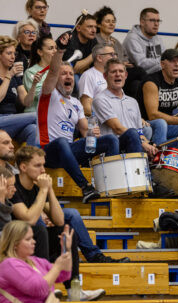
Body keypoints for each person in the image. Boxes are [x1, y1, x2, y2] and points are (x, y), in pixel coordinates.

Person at [10, 146, 107, 300]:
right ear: (23, 167)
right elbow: (28, 219)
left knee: (66, 233)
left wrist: (49, 190)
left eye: (43, 165)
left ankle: (74, 291)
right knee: (39, 229)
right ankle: (43, 287)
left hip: (33, 241)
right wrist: (42, 191)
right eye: (37, 165)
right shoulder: (13, 186)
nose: (43, 170)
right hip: (14, 242)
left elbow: (59, 219)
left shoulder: (37, 187)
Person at [37, 32, 119, 203]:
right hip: (47, 151)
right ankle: (85, 187)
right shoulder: (48, 94)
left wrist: (92, 132)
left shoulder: (75, 102)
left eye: (70, 74)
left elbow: (84, 131)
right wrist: (60, 50)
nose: (69, 77)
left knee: (110, 140)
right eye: (64, 74)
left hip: (69, 151)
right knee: (61, 142)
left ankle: (112, 185)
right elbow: (51, 73)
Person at [0, 220, 72, 303]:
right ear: (15, 244)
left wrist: (66, 249)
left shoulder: (36, 261)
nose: (33, 242)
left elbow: (64, 274)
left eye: (33, 238)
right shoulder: (9, 264)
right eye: (28, 239)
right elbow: (37, 289)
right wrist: (57, 267)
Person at [93, 58, 158, 157]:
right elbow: (117, 128)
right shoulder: (100, 99)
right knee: (131, 133)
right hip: (112, 150)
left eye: (121, 71)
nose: (118, 74)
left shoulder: (133, 102)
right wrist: (143, 143)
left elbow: (139, 131)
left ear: (126, 75)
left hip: (134, 145)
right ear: (105, 76)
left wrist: (148, 143)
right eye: (113, 72)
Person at [0, 36, 38, 146]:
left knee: (34, 130)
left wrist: (34, 84)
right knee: (37, 116)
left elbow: (27, 102)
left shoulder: (15, 77)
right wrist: (9, 75)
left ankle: (27, 162)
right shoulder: (11, 74)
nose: (13, 57)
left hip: (13, 119)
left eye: (14, 54)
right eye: (9, 53)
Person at [123, 8, 165, 75]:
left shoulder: (158, 38)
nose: (156, 24)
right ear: (142, 22)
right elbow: (142, 64)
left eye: (158, 21)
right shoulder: (132, 38)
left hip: (156, 76)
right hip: (138, 79)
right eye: (152, 20)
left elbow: (165, 57)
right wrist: (164, 62)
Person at [78, 43, 117, 116]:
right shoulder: (88, 75)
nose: (115, 57)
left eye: (115, 54)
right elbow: (86, 107)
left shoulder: (115, 75)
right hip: (103, 120)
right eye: (111, 54)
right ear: (99, 58)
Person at [23, 35, 56, 113]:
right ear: (40, 52)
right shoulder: (31, 72)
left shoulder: (59, 70)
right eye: (51, 48)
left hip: (52, 114)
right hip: (35, 115)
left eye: (56, 48)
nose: (55, 51)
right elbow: (41, 95)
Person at [0, 167, 15, 232]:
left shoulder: (6, 201)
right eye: (10, 187)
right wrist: (1, 198)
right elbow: (6, 230)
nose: (15, 190)